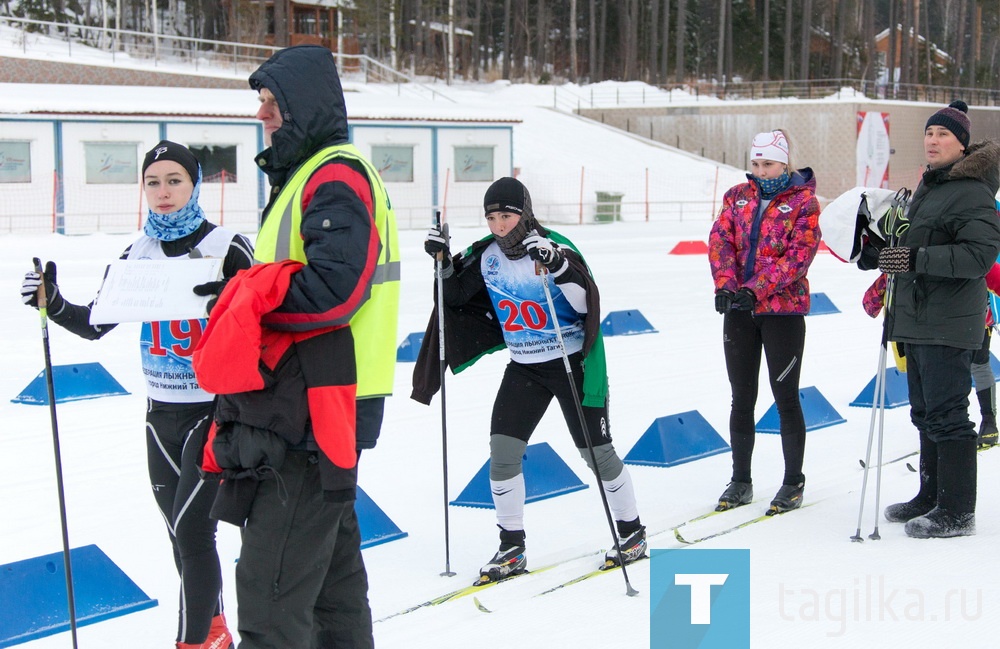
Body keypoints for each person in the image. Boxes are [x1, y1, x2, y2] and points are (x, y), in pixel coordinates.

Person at [192, 44, 398, 649]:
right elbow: (300, 276)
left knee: (271, 598)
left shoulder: (333, 175)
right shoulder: (309, 175)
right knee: (331, 592)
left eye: (272, 103)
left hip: (312, 409)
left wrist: (244, 302)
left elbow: (336, 289)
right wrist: (237, 291)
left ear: (302, 106)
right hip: (316, 403)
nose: (262, 115)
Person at [20, 140, 253, 649]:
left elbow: (267, 321)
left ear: (195, 185)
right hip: (158, 416)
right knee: (180, 537)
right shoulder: (136, 253)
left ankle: (191, 643)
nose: (163, 192)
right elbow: (95, 325)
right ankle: (214, 633)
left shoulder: (229, 246)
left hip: (215, 412)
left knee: (194, 533)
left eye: (175, 181)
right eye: (153, 182)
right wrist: (53, 303)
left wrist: (233, 308)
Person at [413, 176, 646, 584]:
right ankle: (511, 546)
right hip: (525, 366)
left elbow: (584, 303)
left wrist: (557, 266)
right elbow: (454, 296)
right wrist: (443, 261)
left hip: (572, 364)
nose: (499, 225)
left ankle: (632, 534)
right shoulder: (486, 257)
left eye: (506, 215)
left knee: (598, 455)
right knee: (502, 453)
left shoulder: (554, 247)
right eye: (491, 218)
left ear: (524, 213)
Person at [874, 101, 1000, 538]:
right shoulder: (930, 185)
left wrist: (914, 257)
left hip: (950, 320)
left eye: (943, 135)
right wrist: (883, 250)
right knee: (925, 412)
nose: (933, 140)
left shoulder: (973, 190)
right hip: (916, 317)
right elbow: (912, 249)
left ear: (962, 144)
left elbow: (979, 255)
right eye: (929, 133)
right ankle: (930, 495)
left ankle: (958, 509)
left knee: (949, 415)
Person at [708, 129, 821, 515]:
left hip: (783, 312)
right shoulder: (736, 197)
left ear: (785, 163)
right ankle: (741, 479)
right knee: (742, 396)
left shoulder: (804, 202)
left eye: (768, 164)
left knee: (785, 397)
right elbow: (720, 240)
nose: (761, 170)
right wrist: (725, 285)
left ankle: (792, 482)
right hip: (740, 311)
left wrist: (757, 289)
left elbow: (798, 257)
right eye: (755, 164)